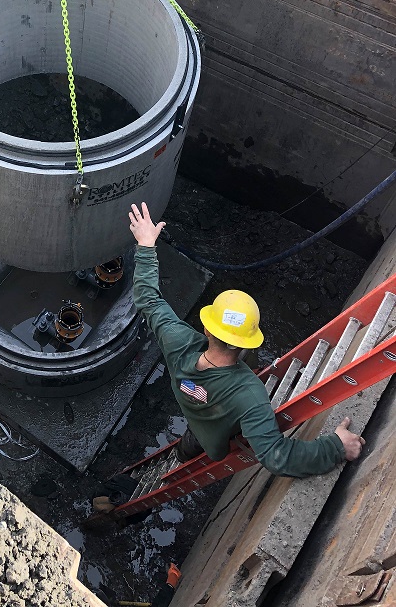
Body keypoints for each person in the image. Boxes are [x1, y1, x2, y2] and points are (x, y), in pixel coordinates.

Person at [128, 201, 366, 477]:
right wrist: (336, 446)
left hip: (198, 422)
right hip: (218, 439)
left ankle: (182, 454)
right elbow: (278, 457)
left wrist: (146, 246)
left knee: (192, 441)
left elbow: (148, 299)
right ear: (247, 342)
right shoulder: (250, 395)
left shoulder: (177, 343)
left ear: (207, 329)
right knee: (214, 432)